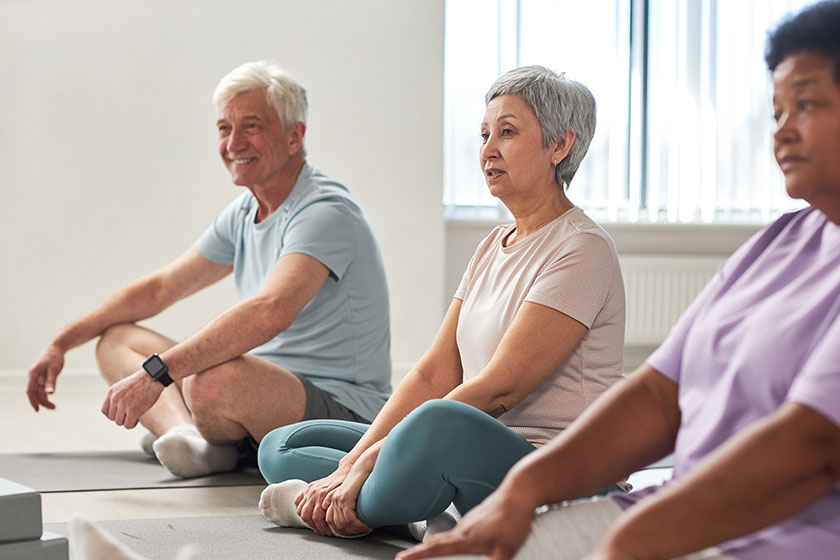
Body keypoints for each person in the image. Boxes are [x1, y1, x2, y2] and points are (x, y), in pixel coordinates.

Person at [398, 3, 840, 560]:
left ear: (560, 146)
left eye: (805, 104)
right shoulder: (775, 245)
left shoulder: (582, 246)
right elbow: (658, 395)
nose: (782, 132)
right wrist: (521, 493)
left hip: (792, 533)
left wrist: (636, 537)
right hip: (681, 505)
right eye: (776, 112)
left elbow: (814, 445)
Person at [256, 66, 627, 539]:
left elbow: (499, 390)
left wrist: (372, 458)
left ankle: (370, 505)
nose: (488, 150)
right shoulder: (494, 244)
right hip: (473, 454)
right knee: (282, 444)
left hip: (557, 476)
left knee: (440, 422)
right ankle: (415, 510)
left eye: (508, 133)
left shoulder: (582, 249)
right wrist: (353, 461)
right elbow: (434, 371)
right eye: (484, 134)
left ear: (560, 146)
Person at [25, 61, 392, 479]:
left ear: (295, 136)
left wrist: (157, 373)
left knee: (209, 380)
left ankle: (216, 434)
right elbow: (160, 289)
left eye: (251, 126)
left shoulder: (325, 212)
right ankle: (190, 438)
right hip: (266, 388)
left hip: (342, 407)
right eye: (224, 128)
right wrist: (61, 343)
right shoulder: (244, 213)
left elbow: (270, 310)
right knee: (116, 340)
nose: (233, 143)